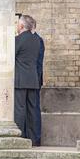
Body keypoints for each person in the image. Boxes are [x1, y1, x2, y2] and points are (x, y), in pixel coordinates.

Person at [14, 15, 41, 147]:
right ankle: (34, 139)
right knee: (32, 110)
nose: (17, 26)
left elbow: (11, 57)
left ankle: (19, 137)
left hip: (20, 80)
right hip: (33, 79)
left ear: (22, 26)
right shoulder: (37, 40)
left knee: (19, 109)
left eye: (18, 24)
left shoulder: (18, 40)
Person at [31, 17, 45, 147]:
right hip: (33, 78)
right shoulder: (37, 40)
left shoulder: (37, 40)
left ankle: (36, 137)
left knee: (34, 108)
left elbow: (37, 63)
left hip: (33, 79)